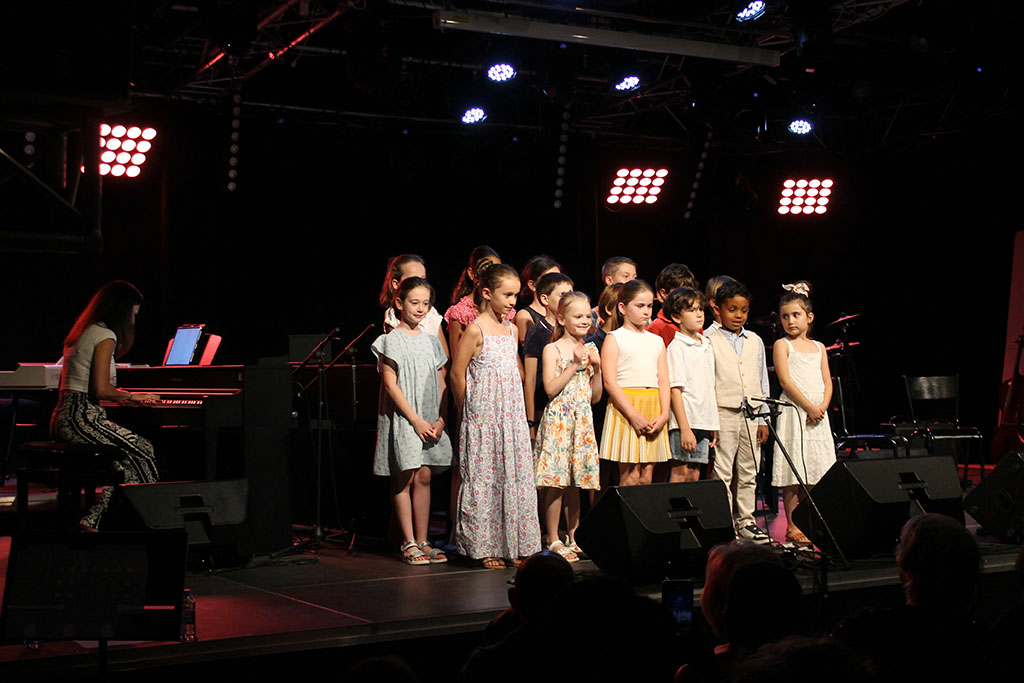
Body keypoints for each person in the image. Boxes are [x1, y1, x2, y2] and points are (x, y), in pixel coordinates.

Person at [49, 280, 160, 531]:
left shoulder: (83, 331)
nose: (133, 321)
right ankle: (153, 523)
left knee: (126, 461)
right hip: (82, 417)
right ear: (121, 311)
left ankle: (106, 521)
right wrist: (133, 396)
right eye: (133, 314)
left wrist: (122, 398)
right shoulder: (106, 335)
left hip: (64, 415)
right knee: (144, 450)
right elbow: (101, 389)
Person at [452, 262, 540, 568]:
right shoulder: (476, 329)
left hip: (510, 418)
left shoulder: (512, 328)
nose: (513, 301)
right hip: (483, 420)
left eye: (516, 295)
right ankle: (483, 546)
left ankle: (512, 544)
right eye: (507, 295)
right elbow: (456, 373)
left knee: (511, 477)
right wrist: (468, 410)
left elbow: (513, 368)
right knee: (485, 479)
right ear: (487, 293)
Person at [372, 277, 453, 565]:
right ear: (399, 303)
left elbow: (443, 382)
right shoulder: (390, 340)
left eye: (426, 304)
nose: (420, 308)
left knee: (424, 475)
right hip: (406, 417)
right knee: (404, 474)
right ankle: (407, 541)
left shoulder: (432, 342)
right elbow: (391, 385)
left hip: (430, 417)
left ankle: (423, 539)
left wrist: (441, 418)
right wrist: (416, 420)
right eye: (414, 302)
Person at [534, 291, 602, 561]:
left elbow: (595, 396)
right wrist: (574, 364)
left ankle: (574, 536)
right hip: (560, 421)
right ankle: (552, 537)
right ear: (561, 318)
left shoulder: (592, 349)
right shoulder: (553, 349)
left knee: (576, 482)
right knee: (557, 482)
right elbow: (550, 388)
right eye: (578, 316)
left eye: (587, 316)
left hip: (582, 420)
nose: (585, 320)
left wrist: (596, 369)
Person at [705, 279, 771, 543]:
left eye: (743, 310)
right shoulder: (708, 339)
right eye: (732, 309)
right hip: (723, 412)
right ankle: (723, 521)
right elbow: (707, 381)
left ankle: (746, 520)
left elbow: (761, 379)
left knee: (749, 469)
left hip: (752, 413)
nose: (739, 315)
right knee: (722, 470)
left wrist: (764, 415)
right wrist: (710, 419)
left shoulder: (754, 340)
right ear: (717, 308)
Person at [771, 281, 835, 544]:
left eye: (795, 315)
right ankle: (792, 524)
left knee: (816, 470)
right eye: (785, 316)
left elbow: (827, 381)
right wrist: (808, 406)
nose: (790, 321)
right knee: (793, 471)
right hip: (795, 413)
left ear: (809, 317)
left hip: (817, 415)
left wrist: (821, 407)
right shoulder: (782, 345)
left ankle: (813, 520)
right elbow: (786, 382)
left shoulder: (819, 347)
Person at [599, 279, 671, 486]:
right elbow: (610, 382)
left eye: (649, 306)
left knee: (646, 476)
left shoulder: (656, 341)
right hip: (627, 408)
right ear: (622, 307)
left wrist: (665, 413)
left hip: (653, 406)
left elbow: (664, 379)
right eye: (640, 306)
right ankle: (625, 519)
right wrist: (633, 415)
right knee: (630, 476)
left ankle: (645, 518)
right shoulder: (615, 338)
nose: (646, 311)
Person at [664, 287, 719, 483]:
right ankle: (673, 513)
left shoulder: (705, 344)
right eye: (692, 310)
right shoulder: (677, 348)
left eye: (700, 309)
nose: (699, 314)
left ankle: (689, 514)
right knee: (681, 471)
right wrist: (684, 427)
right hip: (685, 420)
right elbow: (675, 391)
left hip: (704, 419)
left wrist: (713, 423)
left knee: (695, 472)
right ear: (677, 317)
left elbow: (709, 386)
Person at [522, 272, 574, 441]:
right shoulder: (537, 332)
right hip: (543, 408)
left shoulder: (573, 330)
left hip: (570, 408)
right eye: (562, 295)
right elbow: (530, 380)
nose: (568, 299)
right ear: (545, 299)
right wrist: (531, 422)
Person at [379, 253, 449, 359]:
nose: (419, 284)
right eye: (413, 280)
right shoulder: (393, 315)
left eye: (423, 279)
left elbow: (444, 355)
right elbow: (399, 355)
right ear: (396, 284)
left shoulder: (431, 312)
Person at [444, 246, 513, 353]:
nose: (492, 278)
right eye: (487, 271)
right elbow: (456, 357)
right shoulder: (460, 313)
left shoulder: (506, 308)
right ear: (471, 273)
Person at [513, 255, 561, 345]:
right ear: (532, 285)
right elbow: (530, 349)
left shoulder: (561, 312)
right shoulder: (525, 315)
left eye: (559, 279)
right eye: (550, 280)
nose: (556, 285)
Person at [648, 263, 699, 346]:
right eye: (680, 292)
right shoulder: (656, 328)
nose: (686, 298)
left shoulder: (694, 322)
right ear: (663, 294)